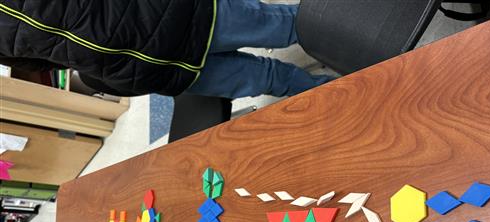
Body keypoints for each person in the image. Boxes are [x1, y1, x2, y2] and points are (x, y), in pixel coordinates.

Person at [0, 0, 332, 98]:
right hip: (145, 69)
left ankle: (363, 37)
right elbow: (37, 60)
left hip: (174, 12)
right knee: (268, 80)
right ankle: (345, 95)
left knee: (297, 26)